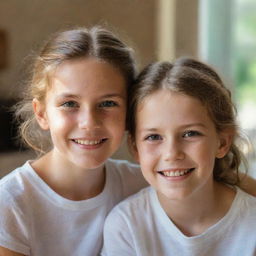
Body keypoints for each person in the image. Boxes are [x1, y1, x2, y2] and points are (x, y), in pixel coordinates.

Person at [0, 26, 148, 256]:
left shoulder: (143, 186)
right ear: (42, 114)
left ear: (129, 113)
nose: (89, 122)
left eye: (108, 103)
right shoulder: (10, 204)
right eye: (70, 104)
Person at [101, 57, 256, 256]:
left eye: (190, 134)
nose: (172, 153)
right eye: (154, 137)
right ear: (135, 148)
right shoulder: (127, 225)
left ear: (223, 142)